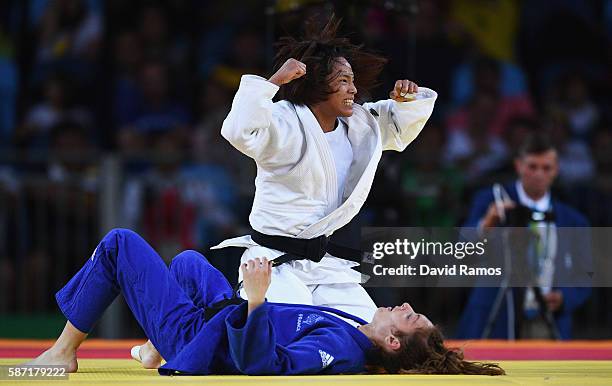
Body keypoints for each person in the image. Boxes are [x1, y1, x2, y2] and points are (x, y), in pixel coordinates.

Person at [25, 229, 503, 375]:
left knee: (121, 244)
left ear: (395, 342)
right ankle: (157, 347)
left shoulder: (340, 350)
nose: (403, 307)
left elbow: (261, 365)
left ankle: (65, 351)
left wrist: (255, 301)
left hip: (205, 339)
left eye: (410, 317)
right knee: (190, 262)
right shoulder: (353, 330)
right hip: (221, 321)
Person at [211, 17, 437, 323]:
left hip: (325, 264)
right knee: (294, 332)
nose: (354, 89)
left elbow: (396, 128)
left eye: (352, 80)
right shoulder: (284, 121)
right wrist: (273, 82)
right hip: (272, 264)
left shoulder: (358, 125)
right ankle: (210, 324)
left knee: (372, 334)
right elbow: (239, 132)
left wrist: (408, 100)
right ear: (317, 83)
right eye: (344, 80)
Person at [456, 133, 591, 339]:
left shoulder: (572, 219)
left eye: (546, 168)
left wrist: (565, 297)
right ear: (519, 165)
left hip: (546, 318)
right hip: (495, 314)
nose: (539, 174)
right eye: (532, 166)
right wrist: (487, 224)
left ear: (556, 170)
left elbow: (585, 274)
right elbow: (462, 250)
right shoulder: (491, 201)